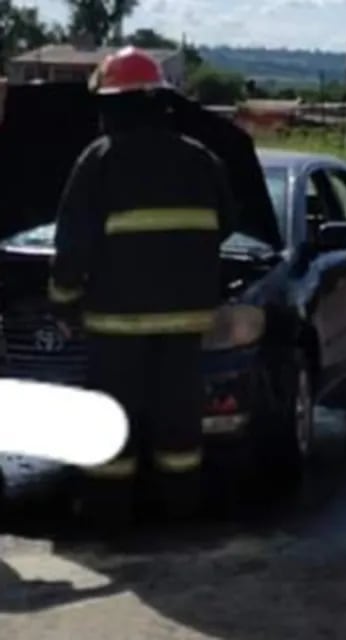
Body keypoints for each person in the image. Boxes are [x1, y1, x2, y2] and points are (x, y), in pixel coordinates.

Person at [49, 46, 237, 526]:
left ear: (112, 106)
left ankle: (108, 516)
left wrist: (64, 301)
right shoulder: (200, 158)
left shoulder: (100, 159)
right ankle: (179, 511)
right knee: (178, 418)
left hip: (117, 320)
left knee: (114, 419)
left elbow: (72, 244)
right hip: (186, 320)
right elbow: (229, 223)